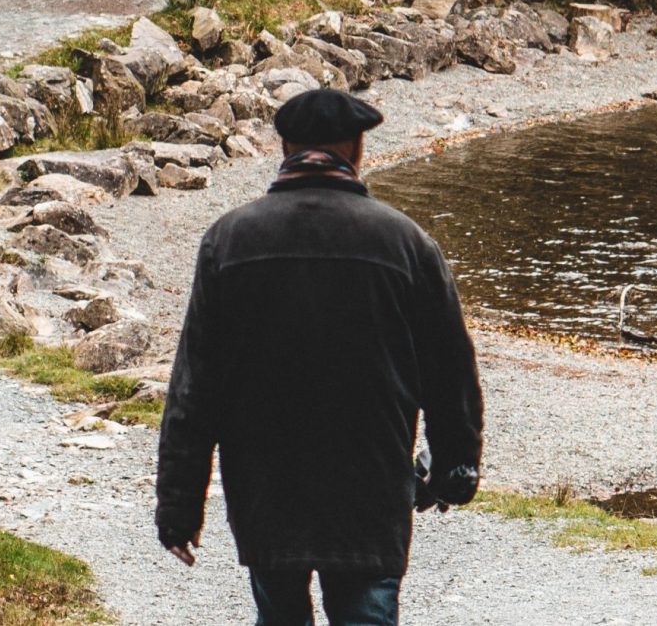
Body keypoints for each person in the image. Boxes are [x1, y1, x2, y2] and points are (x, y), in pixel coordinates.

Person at [155, 87, 485, 626]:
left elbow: (196, 386)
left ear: (283, 146)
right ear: (356, 149)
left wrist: (179, 506)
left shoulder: (230, 242)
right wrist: (454, 467)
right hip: (370, 487)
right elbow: (450, 372)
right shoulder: (406, 243)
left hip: (266, 488)